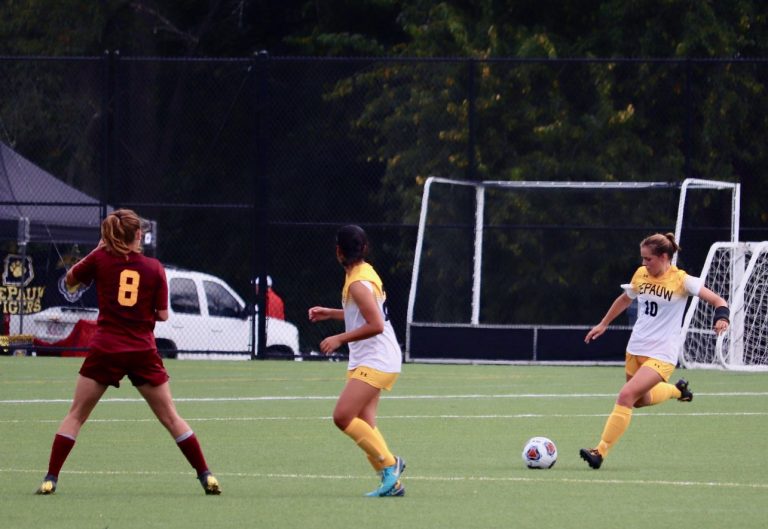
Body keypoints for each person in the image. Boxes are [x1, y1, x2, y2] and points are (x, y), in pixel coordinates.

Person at [35, 209, 221, 495]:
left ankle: (50, 478)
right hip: (141, 351)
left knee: (75, 416)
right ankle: (206, 475)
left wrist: (96, 250)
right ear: (137, 235)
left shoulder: (99, 259)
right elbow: (162, 315)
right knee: (171, 418)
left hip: (106, 348)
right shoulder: (154, 267)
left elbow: (70, 279)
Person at [580, 233, 729, 469]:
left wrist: (722, 317)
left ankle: (599, 452)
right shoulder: (641, 274)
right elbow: (626, 299)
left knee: (626, 396)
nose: (643, 264)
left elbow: (719, 301)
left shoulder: (682, 280)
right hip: (635, 348)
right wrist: (604, 323)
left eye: (648, 259)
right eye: (642, 259)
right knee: (640, 401)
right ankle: (678, 392)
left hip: (662, 354)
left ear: (663, 257)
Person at [308, 225, 405, 497]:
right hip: (374, 357)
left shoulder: (358, 283)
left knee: (342, 416)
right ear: (364, 248)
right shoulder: (362, 273)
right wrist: (331, 313)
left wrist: (339, 338)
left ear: (338, 251)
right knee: (365, 420)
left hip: (378, 358)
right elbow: (363, 313)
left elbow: (376, 324)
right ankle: (390, 479)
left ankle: (390, 464)